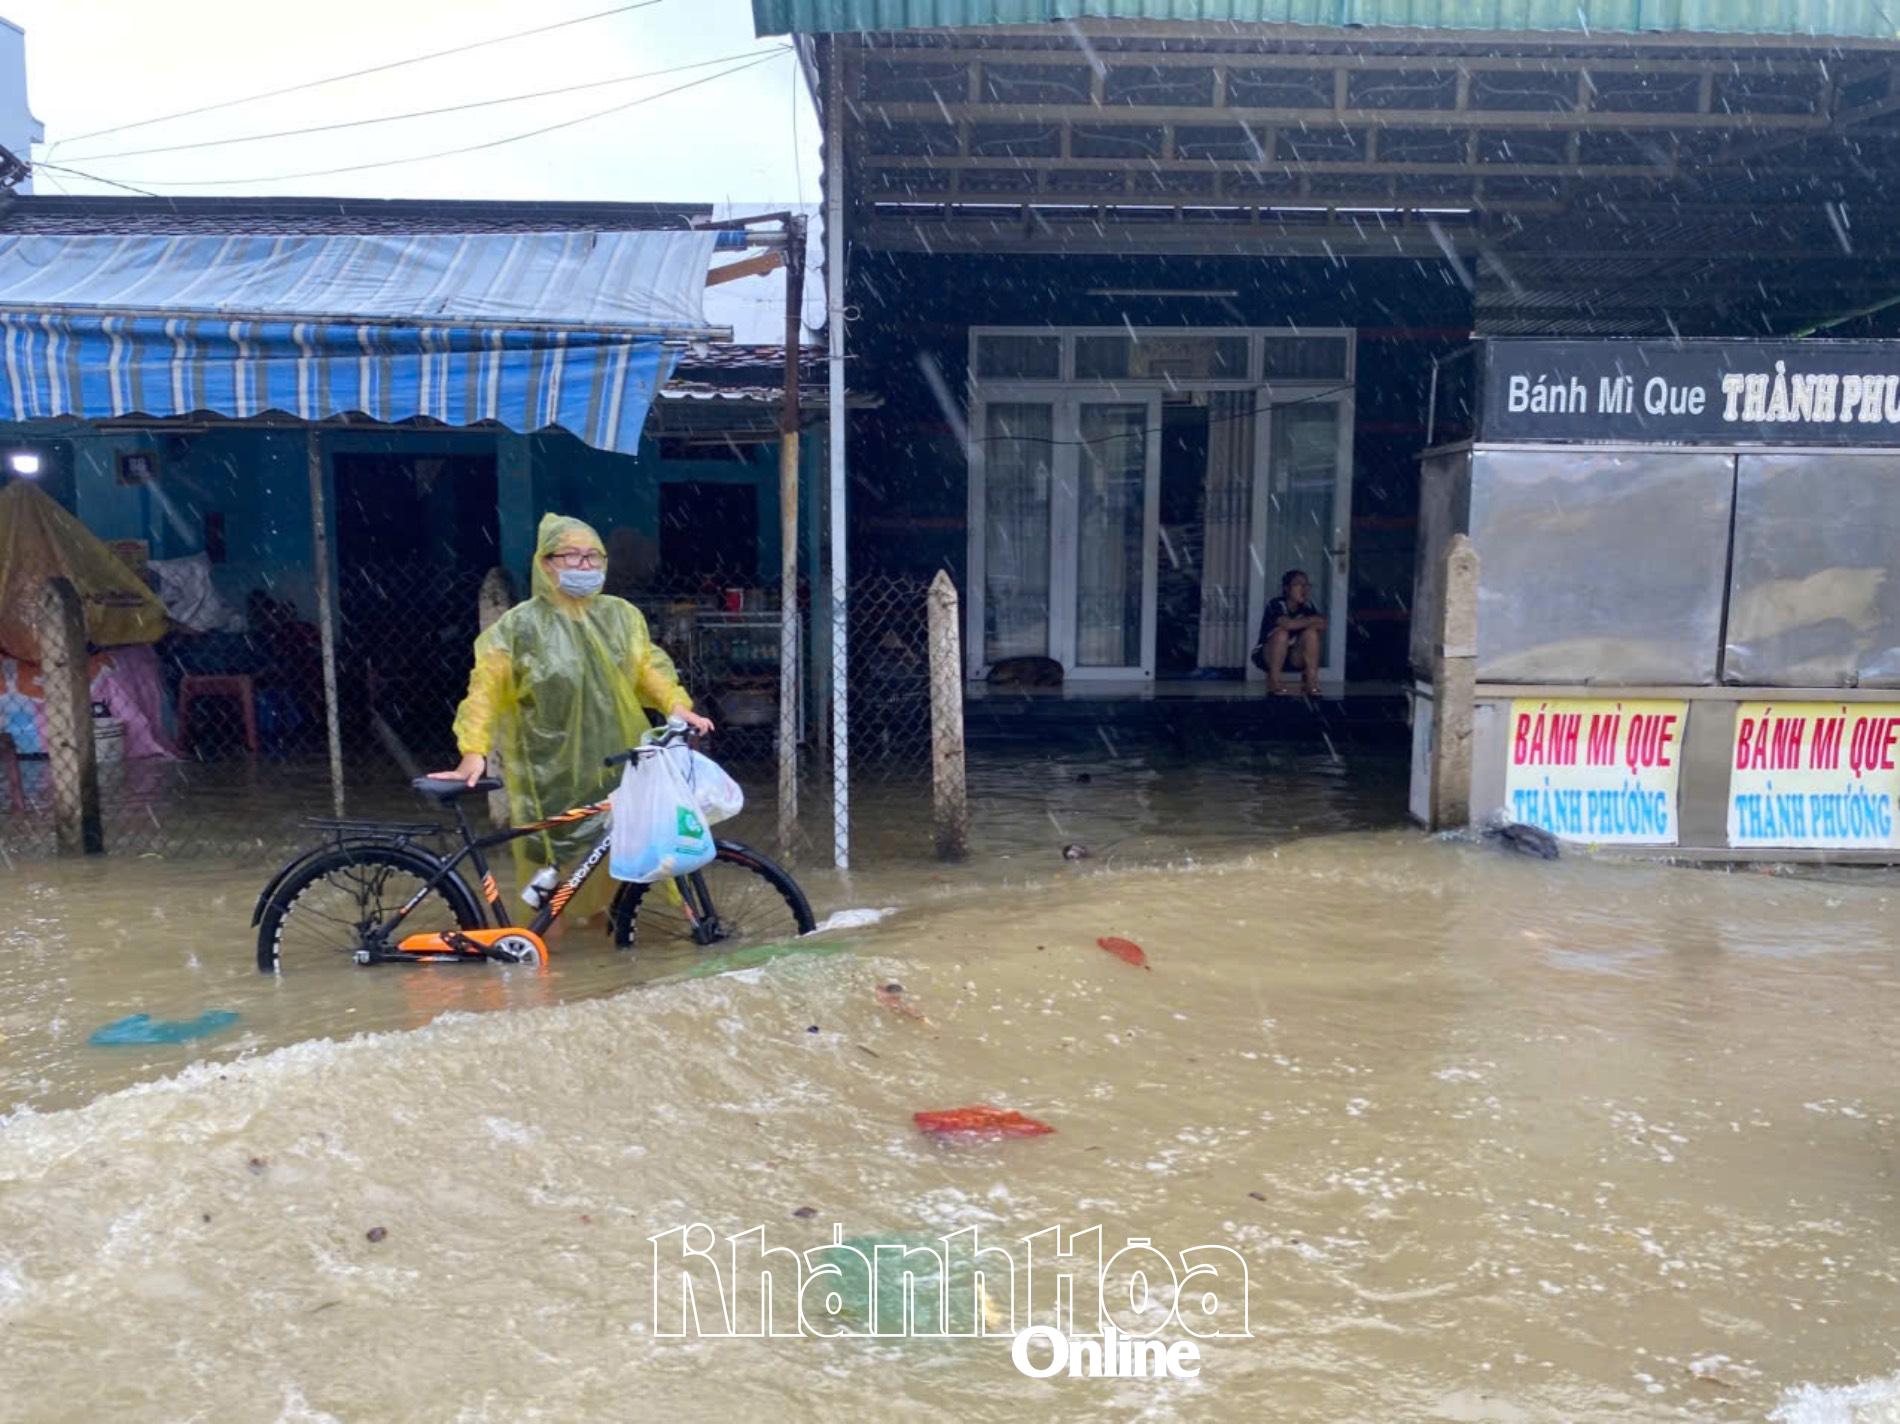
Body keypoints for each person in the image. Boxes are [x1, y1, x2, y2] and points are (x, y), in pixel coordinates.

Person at [432, 513, 713, 920]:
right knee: (556, 863)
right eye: (572, 556)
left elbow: (648, 667)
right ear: (545, 563)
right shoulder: (518, 627)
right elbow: (484, 692)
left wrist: (676, 705)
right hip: (550, 767)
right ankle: (545, 960)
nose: (585, 566)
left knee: (635, 840)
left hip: (618, 755)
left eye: (593, 557)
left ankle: (617, 941)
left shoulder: (620, 616)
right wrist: (473, 750)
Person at [1253, 569, 1328, 697]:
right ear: (1286, 589)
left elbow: (1322, 624)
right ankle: (1274, 682)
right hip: (1268, 655)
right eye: (1298, 584)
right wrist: (1308, 621)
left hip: (1294, 656)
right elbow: (1287, 624)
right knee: (1281, 634)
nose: (1304, 588)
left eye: (1306, 585)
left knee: (1311, 634)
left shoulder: (1308, 606)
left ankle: (1311, 682)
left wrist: (1303, 623)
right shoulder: (1276, 604)